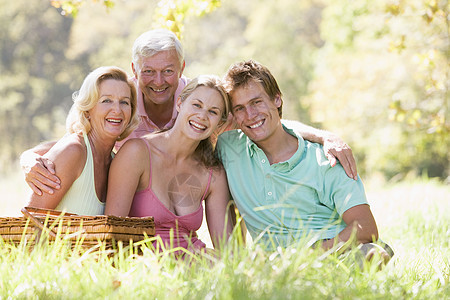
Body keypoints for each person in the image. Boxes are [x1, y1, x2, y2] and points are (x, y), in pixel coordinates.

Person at [20, 28, 358, 197]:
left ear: (182, 66)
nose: (158, 81)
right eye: (148, 72)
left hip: (180, 203)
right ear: (135, 70)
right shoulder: (121, 102)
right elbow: (75, 140)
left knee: (230, 164)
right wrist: (27, 158)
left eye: (167, 70)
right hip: (122, 199)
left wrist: (324, 135)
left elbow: (253, 118)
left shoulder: (198, 101)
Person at [216, 60, 392, 261]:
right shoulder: (228, 147)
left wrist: (307, 256)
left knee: (373, 254)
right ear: (232, 116)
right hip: (272, 265)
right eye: (239, 108)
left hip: (330, 251)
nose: (250, 115)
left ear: (277, 100)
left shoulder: (326, 159)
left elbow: (365, 227)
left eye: (257, 102)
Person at [105, 75, 233, 251]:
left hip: (196, 264)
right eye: (197, 105)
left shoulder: (212, 173)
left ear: (220, 122)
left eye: (213, 112)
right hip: (146, 265)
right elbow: (112, 232)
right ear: (179, 104)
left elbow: (228, 251)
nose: (202, 116)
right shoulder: (138, 153)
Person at [26, 66, 139, 215]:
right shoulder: (73, 151)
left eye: (124, 102)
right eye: (106, 100)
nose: (117, 110)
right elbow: (29, 222)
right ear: (88, 110)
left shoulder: (115, 162)